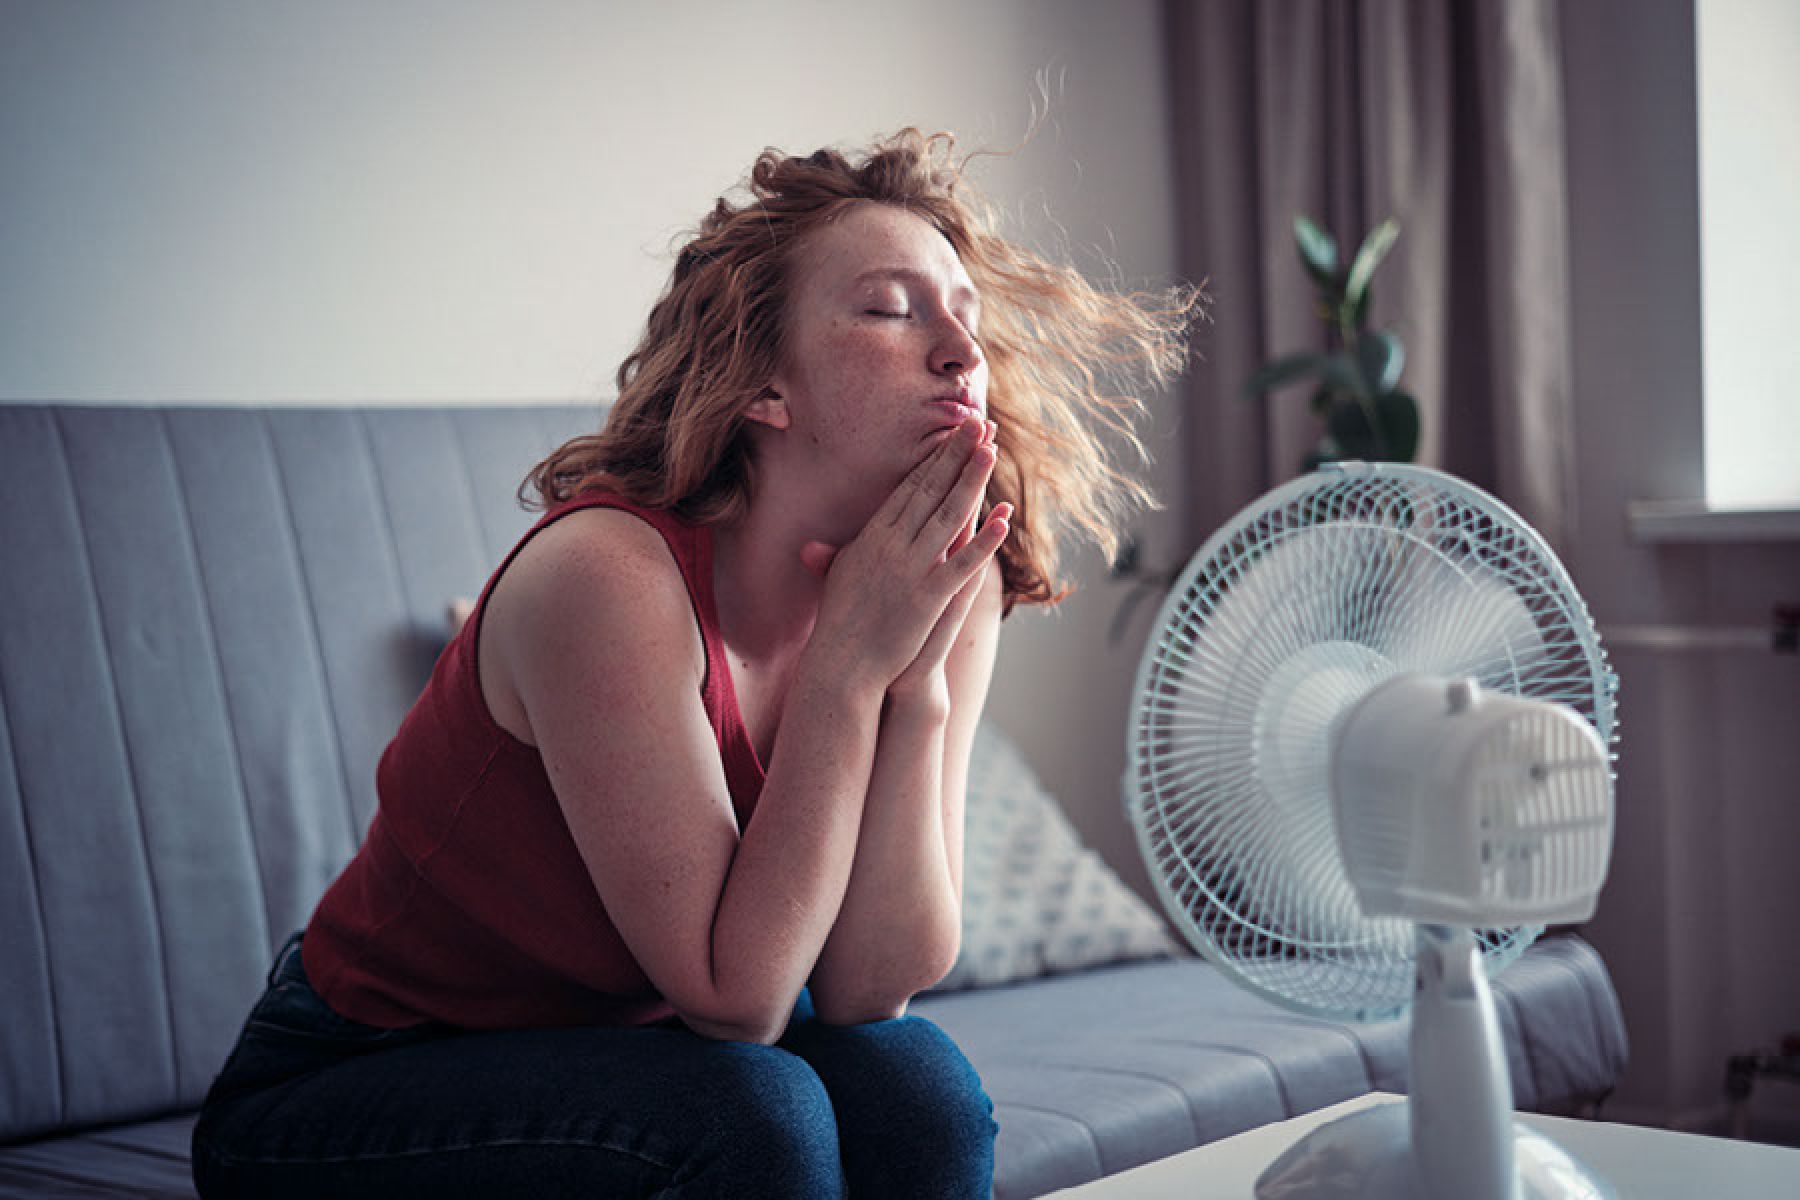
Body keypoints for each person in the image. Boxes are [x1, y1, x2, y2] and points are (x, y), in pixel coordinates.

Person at [190, 128, 1196, 1199]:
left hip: (638, 1047)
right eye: (891, 310)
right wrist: (849, 670)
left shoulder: (949, 582)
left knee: (920, 1093)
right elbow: (737, 1001)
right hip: (357, 1078)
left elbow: (872, 989)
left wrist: (915, 685)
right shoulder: (605, 579)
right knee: (752, 1116)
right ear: (763, 384)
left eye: (967, 316)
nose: (960, 351)